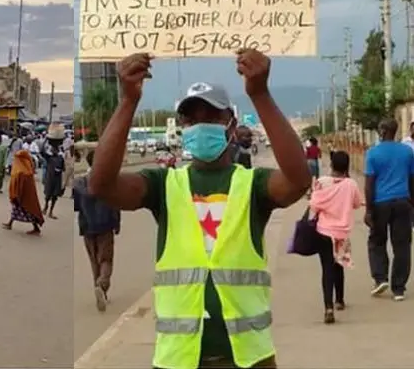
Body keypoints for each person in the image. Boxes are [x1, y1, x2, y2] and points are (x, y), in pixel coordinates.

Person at [88, 50, 311, 369]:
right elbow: (101, 185)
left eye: (211, 117)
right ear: (181, 127)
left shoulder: (254, 185)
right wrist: (127, 102)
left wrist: (260, 94)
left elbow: (298, 180)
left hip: (249, 359)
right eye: (191, 119)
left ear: (231, 125)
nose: (200, 125)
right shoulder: (164, 185)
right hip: (178, 360)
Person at [309, 151, 363, 323]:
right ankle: (340, 300)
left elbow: (314, 204)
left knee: (327, 269)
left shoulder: (321, 183)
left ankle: (328, 307)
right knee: (339, 264)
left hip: (324, 231)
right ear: (346, 166)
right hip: (341, 233)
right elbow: (356, 204)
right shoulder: (351, 184)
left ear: (331, 165)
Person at [364, 118, 414, 302]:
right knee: (402, 245)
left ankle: (380, 278)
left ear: (384, 131)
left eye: (379, 128)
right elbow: (412, 179)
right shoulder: (407, 152)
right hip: (403, 201)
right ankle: (399, 288)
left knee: (377, 241)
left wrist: (368, 210)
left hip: (380, 203)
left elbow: (369, 184)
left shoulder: (373, 153)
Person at [74, 150, 121, 312]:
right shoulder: (108, 181)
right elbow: (116, 203)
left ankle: (100, 291)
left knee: (94, 261)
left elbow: (77, 207)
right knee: (106, 260)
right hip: (105, 225)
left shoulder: (79, 183)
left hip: (87, 227)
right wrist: (117, 223)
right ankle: (102, 286)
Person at [2, 150, 44, 235]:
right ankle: (10, 223)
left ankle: (36, 228)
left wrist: (16, 194)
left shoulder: (22, 171)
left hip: (22, 195)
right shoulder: (26, 168)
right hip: (22, 195)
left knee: (28, 211)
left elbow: (19, 184)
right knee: (17, 210)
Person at [42, 142, 64, 219]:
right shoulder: (49, 158)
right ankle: (45, 207)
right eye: (52, 149)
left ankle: (51, 211)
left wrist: (59, 170)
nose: (53, 151)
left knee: (55, 196)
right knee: (47, 195)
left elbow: (63, 168)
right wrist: (45, 141)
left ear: (57, 151)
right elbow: (42, 151)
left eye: (55, 150)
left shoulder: (61, 158)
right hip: (50, 179)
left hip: (57, 179)